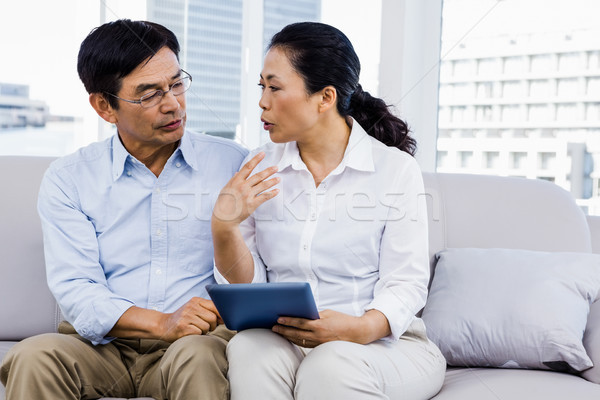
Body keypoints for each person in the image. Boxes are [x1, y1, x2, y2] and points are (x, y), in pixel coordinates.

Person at [0, 19, 247, 400]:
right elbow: (78, 289)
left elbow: (254, 274)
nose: (172, 104)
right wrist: (162, 322)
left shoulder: (233, 165)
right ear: (104, 106)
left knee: (198, 356)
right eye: (148, 95)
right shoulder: (69, 178)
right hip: (101, 346)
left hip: (193, 344)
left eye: (177, 84)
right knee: (33, 356)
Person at [211, 22, 446, 400]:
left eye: (275, 87)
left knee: (331, 363)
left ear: (325, 97)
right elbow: (248, 287)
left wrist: (358, 328)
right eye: (262, 86)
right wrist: (224, 228)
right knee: (249, 349)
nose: (262, 101)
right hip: (285, 338)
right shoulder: (258, 166)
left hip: (382, 344)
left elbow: (406, 283)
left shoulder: (394, 170)